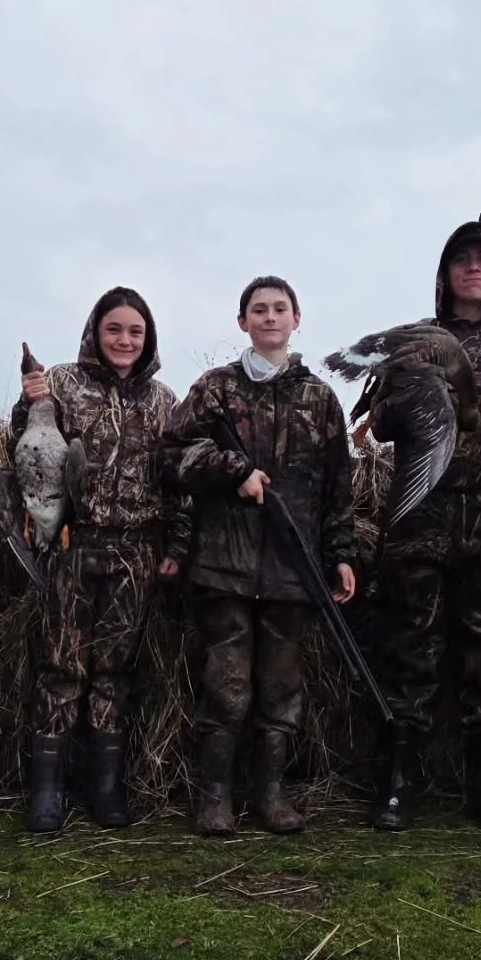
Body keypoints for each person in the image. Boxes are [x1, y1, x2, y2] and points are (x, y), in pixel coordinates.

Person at [367, 214, 481, 837]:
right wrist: (397, 395)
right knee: (409, 651)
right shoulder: (416, 340)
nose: (473, 266)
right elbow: (388, 431)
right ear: (445, 274)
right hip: (419, 517)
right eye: (462, 258)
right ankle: (397, 786)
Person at [161, 275, 358, 837]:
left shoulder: (320, 397)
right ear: (242, 321)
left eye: (280, 309)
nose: (269, 317)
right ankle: (215, 797)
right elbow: (172, 456)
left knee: (280, 686)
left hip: (293, 567)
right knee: (227, 685)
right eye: (258, 309)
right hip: (225, 562)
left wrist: (341, 553)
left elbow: (337, 489)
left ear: (297, 319)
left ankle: (271, 796)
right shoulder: (215, 388)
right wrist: (233, 470)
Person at [7, 286, 190, 832]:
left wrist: (176, 547)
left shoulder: (163, 400)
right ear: (95, 332)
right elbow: (25, 450)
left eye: (135, 331)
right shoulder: (62, 382)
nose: (125, 340)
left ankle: (106, 790)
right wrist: (26, 402)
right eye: (115, 329)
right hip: (71, 545)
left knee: (115, 672)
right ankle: (47, 793)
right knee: (61, 667)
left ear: (148, 338)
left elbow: (177, 482)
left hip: (137, 550)